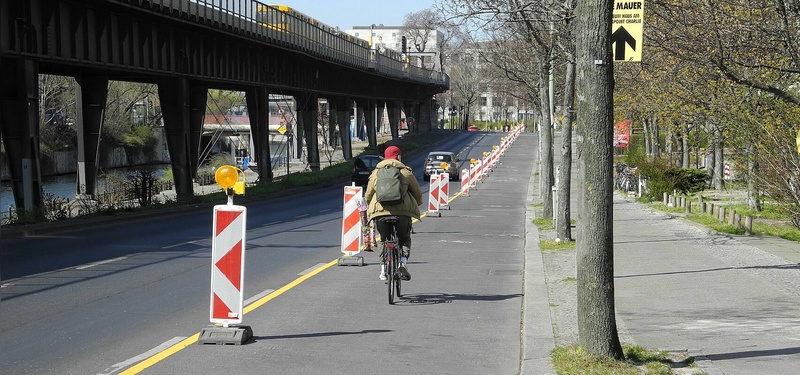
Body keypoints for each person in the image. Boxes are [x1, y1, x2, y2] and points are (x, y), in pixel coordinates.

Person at [364, 145, 422, 281]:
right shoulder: (405, 172)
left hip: (380, 213)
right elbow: (417, 193)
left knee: (384, 239)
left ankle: (383, 269)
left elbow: (368, 195)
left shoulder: (376, 173)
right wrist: (417, 203)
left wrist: (370, 206)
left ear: (384, 157)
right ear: (399, 157)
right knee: (404, 238)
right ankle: (402, 261)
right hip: (402, 212)